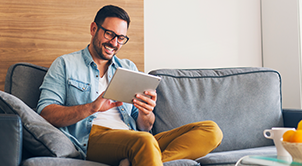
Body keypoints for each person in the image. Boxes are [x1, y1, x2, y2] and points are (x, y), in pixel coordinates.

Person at [37, 5, 223, 166]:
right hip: (92, 138)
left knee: (211, 131)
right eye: (109, 34)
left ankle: (143, 160)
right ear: (94, 28)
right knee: (143, 141)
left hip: (134, 136)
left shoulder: (127, 68)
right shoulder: (65, 64)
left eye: (121, 38)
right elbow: (45, 113)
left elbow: (144, 127)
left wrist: (145, 113)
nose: (114, 43)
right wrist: (92, 107)